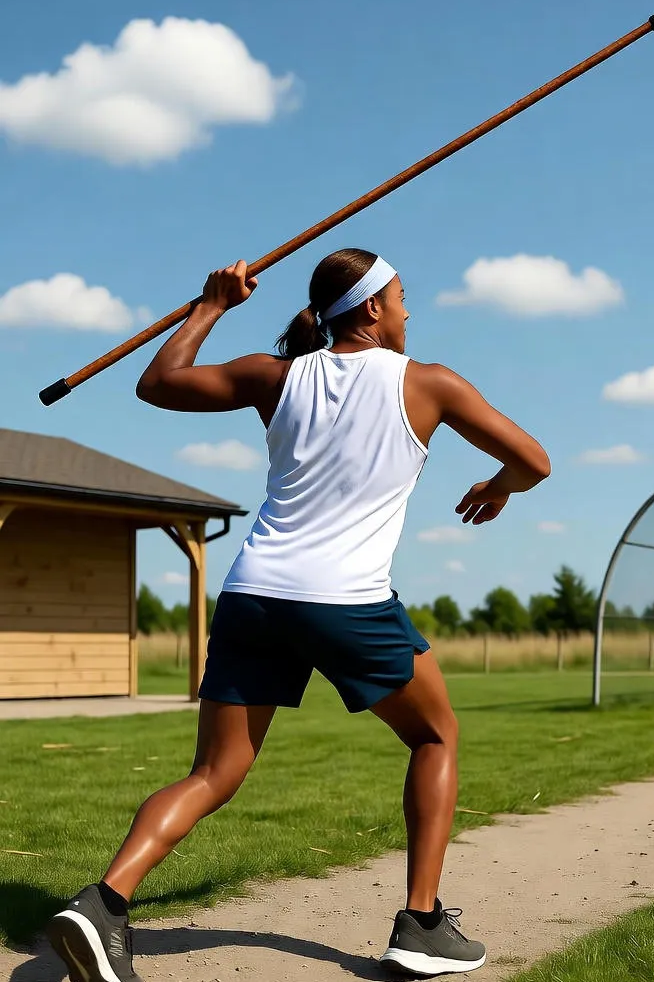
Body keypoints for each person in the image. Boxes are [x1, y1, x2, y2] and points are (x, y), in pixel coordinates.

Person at [46, 248, 550, 981]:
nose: (409, 310)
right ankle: (421, 924)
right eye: (401, 297)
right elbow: (535, 461)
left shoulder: (275, 376)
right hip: (346, 599)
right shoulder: (429, 383)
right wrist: (500, 485)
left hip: (254, 594)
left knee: (214, 772)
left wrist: (212, 306)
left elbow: (157, 383)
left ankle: (102, 904)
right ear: (372, 307)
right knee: (435, 734)